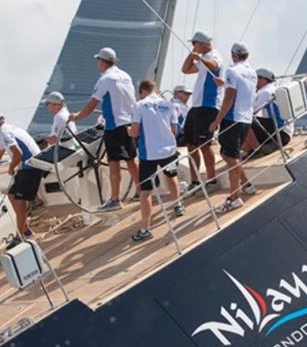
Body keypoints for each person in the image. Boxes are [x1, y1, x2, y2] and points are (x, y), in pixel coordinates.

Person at [69, 47, 140, 210]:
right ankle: (140, 189)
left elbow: (92, 104)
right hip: (129, 123)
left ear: (102, 62)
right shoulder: (125, 76)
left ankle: (115, 199)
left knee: (114, 162)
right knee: (131, 160)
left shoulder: (105, 79)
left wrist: (76, 117)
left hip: (114, 126)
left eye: (98, 60)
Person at [128, 79, 184, 242]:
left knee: (145, 192)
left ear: (142, 91)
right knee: (171, 176)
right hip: (169, 150)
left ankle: (146, 229)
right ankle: (178, 206)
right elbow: (174, 129)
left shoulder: (139, 105)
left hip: (149, 153)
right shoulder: (169, 105)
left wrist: (129, 132)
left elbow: (135, 131)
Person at [0, 111, 42, 238]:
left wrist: (11, 167)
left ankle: (20, 237)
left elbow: (18, 154)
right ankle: (26, 230)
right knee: (11, 195)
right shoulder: (5, 131)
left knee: (20, 201)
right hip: (28, 166)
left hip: (31, 166)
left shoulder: (5, 133)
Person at [208, 42, 257, 212]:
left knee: (230, 156)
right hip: (246, 119)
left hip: (232, 119)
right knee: (228, 154)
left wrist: (216, 121)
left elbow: (229, 98)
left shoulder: (232, 70)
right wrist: (225, 83)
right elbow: (242, 91)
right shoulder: (252, 73)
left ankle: (234, 197)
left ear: (234, 55)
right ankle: (247, 184)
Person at [181, 30, 222, 194]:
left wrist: (201, 58)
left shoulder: (214, 55)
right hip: (196, 106)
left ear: (202, 43)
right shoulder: (201, 57)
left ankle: (212, 179)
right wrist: (192, 55)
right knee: (191, 143)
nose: (193, 46)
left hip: (208, 105)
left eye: (194, 43)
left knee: (204, 144)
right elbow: (185, 70)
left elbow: (214, 65)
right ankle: (195, 180)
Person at [244, 68, 294, 157]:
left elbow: (250, 111)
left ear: (263, 80)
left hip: (280, 133)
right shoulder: (273, 89)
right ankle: (265, 146)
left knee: (243, 120)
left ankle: (257, 149)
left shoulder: (265, 92)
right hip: (286, 132)